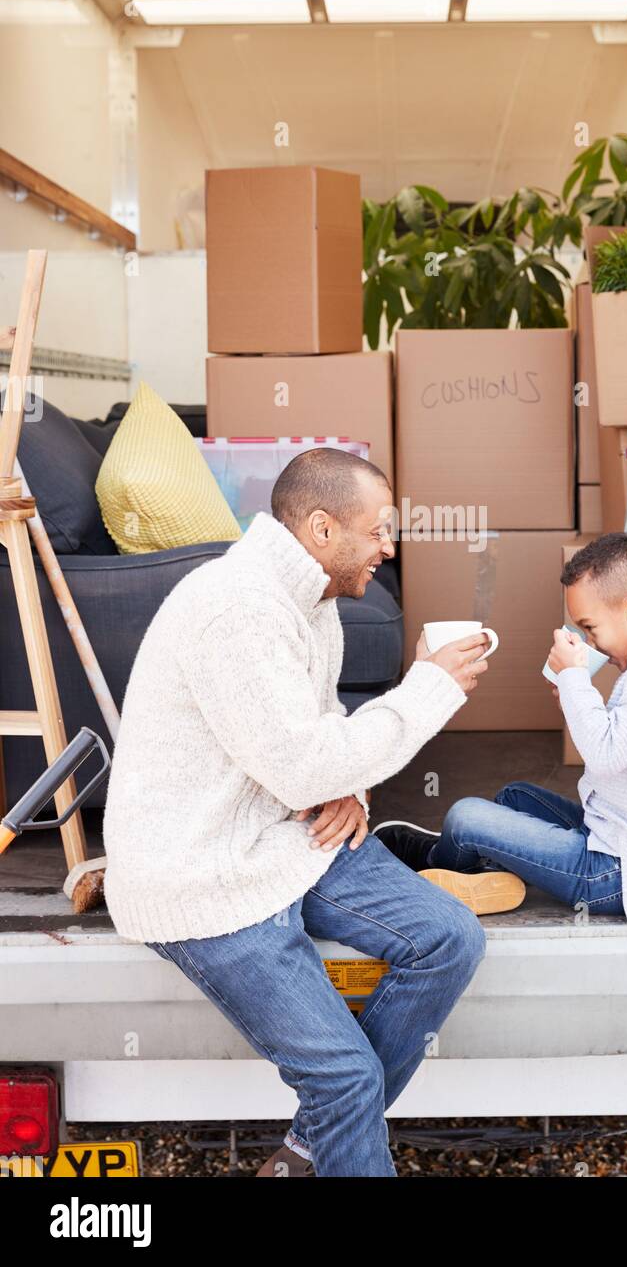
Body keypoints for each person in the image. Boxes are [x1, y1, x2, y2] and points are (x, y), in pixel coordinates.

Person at [102, 447, 492, 1178]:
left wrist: (349, 787)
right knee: (346, 1078)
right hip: (204, 874)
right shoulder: (236, 610)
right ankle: (336, 1125)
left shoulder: (311, 604)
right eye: (378, 530)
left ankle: (315, 1145)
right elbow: (302, 759)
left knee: (448, 938)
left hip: (289, 834)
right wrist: (426, 690)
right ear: (319, 528)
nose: (390, 546)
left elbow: (307, 746)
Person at [375, 532, 627, 923]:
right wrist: (575, 699)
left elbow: (606, 755)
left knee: (466, 816)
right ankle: (484, 875)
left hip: (618, 873)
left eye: (591, 628)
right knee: (515, 797)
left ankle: (441, 866)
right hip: (619, 840)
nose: (591, 642)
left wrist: (574, 679)